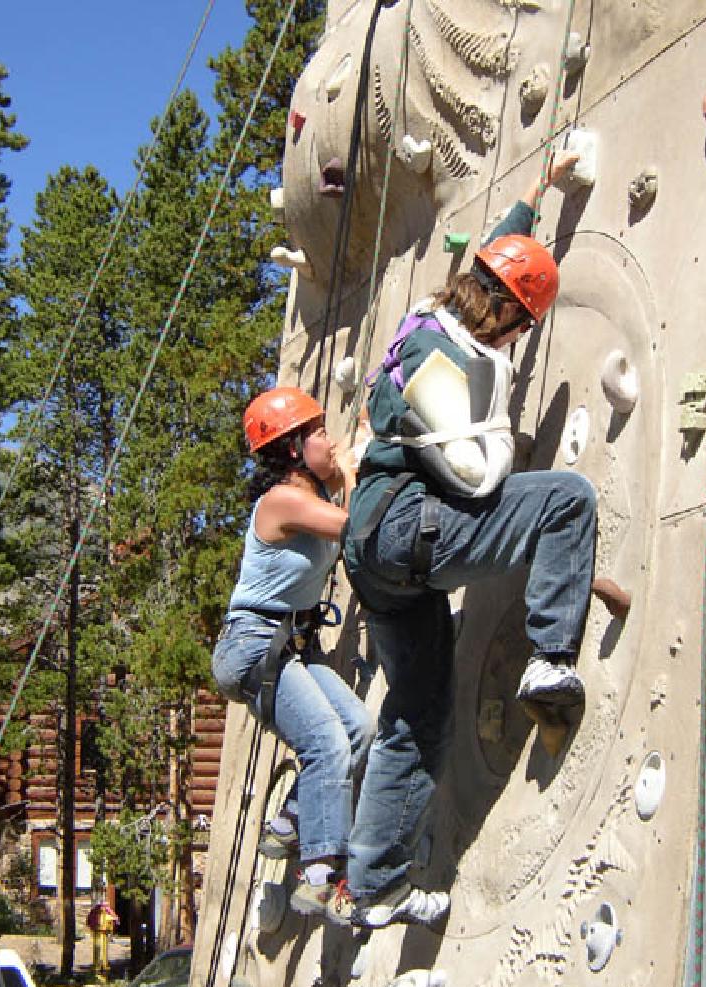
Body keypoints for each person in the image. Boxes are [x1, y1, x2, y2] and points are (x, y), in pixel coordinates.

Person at [339, 150, 597, 927]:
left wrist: (539, 185)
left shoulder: (432, 313)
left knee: (418, 715)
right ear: (512, 316)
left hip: (379, 554)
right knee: (566, 503)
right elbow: (481, 480)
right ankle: (551, 663)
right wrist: (497, 433)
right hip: (410, 527)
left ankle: (374, 885)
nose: (520, 341)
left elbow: (499, 248)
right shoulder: (445, 361)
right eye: (523, 327)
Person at [212, 386, 373, 924]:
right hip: (254, 645)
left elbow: (344, 516)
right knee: (326, 743)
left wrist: (354, 458)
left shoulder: (312, 500)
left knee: (357, 730)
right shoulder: (282, 501)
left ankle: (290, 822)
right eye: (319, 432)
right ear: (291, 448)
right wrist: (348, 471)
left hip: (287, 647)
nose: (329, 441)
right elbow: (355, 529)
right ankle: (321, 871)